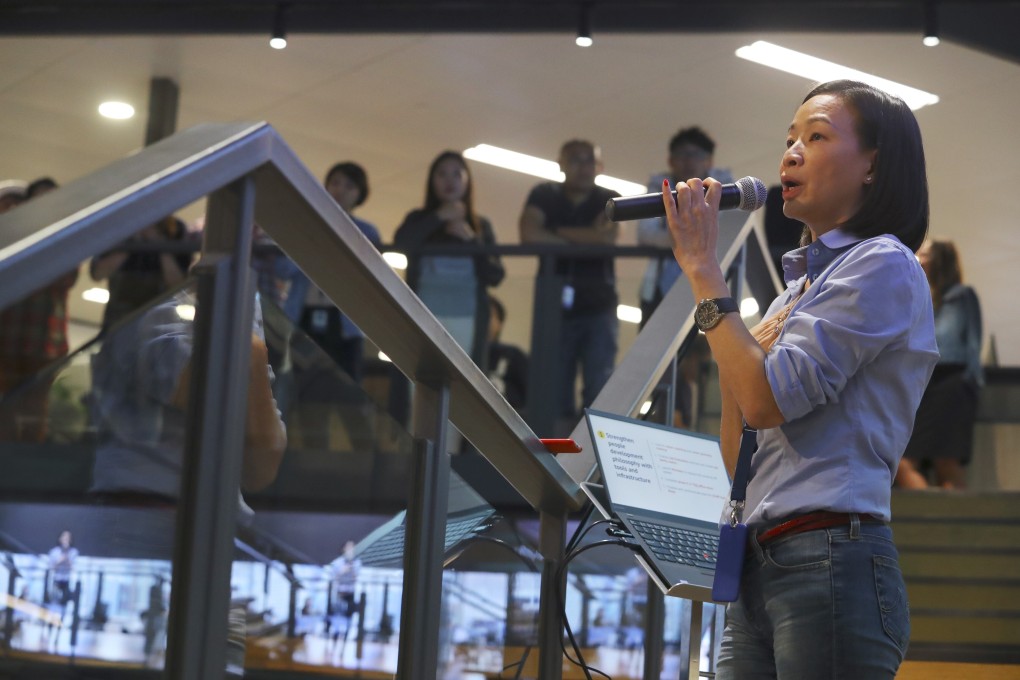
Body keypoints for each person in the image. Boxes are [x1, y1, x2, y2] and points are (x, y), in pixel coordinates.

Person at [661, 80, 937, 679]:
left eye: (816, 137)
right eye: (790, 139)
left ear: (872, 165)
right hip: (762, 557)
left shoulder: (882, 263)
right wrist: (733, 341)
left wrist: (704, 270)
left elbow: (763, 400)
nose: (790, 153)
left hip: (829, 554)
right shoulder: (795, 293)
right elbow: (742, 448)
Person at [519, 140, 620, 421]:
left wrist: (552, 231)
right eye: (575, 159)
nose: (583, 166)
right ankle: (557, 461)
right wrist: (586, 236)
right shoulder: (543, 194)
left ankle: (589, 461)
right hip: (554, 308)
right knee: (553, 391)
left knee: (598, 391)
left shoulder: (610, 197)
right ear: (560, 164)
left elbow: (605, 238)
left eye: (590, 160)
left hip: (599, 306)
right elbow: (528, 234)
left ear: (599, 167)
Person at [394, 151, 504, 367]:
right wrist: (438, 217)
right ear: (432, 181)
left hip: (467, 317)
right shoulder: (418, 219)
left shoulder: (481, 225)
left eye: (457, 174)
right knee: (419, 381)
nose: (449, 180)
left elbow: (495, 275)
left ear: (467, 182)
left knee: (463, 382)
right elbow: (402, 243)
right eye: (442, 174)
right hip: (423, 313)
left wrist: (472, 241)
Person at [278, 162, 382, 381]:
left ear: (359, 193)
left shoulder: (366, 232)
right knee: (300, 386)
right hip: (303, 314)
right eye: (335, 183)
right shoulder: (307, 224)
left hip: (345, 321)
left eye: (349, 186)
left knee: (347, 390)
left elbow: (371, 277)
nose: (340, 190)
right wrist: (313, 244)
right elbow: (284, 268)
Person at [897, 239, 983, 489]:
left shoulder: (961, 295)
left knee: (946, 462)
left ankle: (955, 525)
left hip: (952, 383)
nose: (918, 258)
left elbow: (971, 343)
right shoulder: (920, 299)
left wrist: (972, 383)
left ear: (939, 260)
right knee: (905, 463)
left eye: (924, 254)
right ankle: (934, 523)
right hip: (924, 384)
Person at [0, 177, 79, 442]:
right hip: (8, 337)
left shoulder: (67, 234)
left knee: (35, 411)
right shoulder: (11, 235)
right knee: (6, 410)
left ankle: (27, 468)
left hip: (45, 342)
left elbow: (66, 278)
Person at [638, 126, 732, 323]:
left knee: (710, 349)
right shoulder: (659, 185)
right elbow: (645, 234)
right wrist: (692, 237)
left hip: (710, 285)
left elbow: (724, 235)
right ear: (670, 161)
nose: (689, 161)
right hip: (658, 289)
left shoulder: (723, 186)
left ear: (709, 161)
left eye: (696, 155)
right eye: (681, 155)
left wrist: (675, 237)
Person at [89, 215, 192, 331]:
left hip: (158, 324)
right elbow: (97, 273)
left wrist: (158, 244)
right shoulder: (119, 226)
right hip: (119, 321)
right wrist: (133, 243)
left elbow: (179, 286)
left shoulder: (174, 228)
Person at [485, 295, 528, 413]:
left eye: (489, 315)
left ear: (500, 323)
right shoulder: (462, 355)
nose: (483, 319)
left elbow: (533, 397)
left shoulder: (513, 355)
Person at [47, 530, 78, 609]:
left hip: (67, 580)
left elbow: (73, 567)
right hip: (56, 579)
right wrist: (59, 561)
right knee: (54, 601)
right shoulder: (54, 552)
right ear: (60, 539)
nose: (66, 540)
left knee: (65, 602)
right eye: (64, 538)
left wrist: (67, 557)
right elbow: (51, 567)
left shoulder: (73, 552)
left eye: (68, 538)